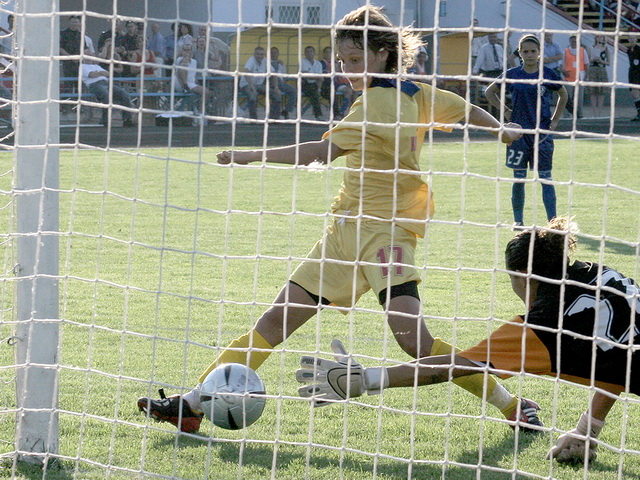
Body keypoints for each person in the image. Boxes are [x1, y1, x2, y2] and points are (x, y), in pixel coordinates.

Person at [137, 5, 540, 436]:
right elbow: (465, 109)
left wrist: (251, 155)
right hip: (343, 234)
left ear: (382, 53)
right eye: (342, 60)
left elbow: (320, 152)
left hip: (385, 237)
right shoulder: (415, 92)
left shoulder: (378, 104)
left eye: (354, 59)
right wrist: (500, 129)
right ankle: (191, 404)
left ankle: (513, 404)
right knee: (273, 322)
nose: (346, 70)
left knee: (415, 343)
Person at [299, 216, 640, 464]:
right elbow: (615, 361)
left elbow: (452, 367)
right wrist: (586, 431)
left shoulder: (543, 325)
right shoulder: (602, 275)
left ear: (523, 276)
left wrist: (367, 379)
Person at [485, 34, 568, 228]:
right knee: (519, 179)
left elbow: (563, 95)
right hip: (518, 135)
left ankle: (552, 223)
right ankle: (518, 221)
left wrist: (555, 120)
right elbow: (490, 92)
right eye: (525, 51)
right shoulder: (512, 74)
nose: (529, 55)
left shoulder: (548, 74)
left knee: (546, 179)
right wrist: (505, 111)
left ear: (539, 53)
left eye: (533, 51)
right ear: (520, 53)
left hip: (542, 135)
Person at [81, 56, 135, 127]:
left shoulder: (96, 66)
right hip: (94, 84)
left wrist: (98, 73)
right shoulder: (82, 66)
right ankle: (105, 120)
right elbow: (92, 75)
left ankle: (127, 120)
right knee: (106, 95)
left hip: (107, 83)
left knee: (124, 94)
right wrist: (101, 73)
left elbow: (108, 73)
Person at [238, 46, 282, 120]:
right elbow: (246, 71)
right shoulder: (251, 60)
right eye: (258, 54)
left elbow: (274, 74)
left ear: (264, 55)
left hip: (259, 85)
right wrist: (251, 86)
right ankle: (254, 120)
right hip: (246, 85)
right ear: (254, 54)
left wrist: (276, 88)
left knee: (277, 94)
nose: (259, 56)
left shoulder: (265, 61)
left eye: (261, 54)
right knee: (253, 95)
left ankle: (273, 119)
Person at [173, 43, 212, 115]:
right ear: (182, 51)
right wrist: (186, 57)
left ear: (191, 51)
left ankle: (200, 111)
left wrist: (196, 82)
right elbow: (182, 66)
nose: (187, 52)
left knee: (206, 92)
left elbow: (193, 73)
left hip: (191, 84)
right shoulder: (179, 59)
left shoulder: (194, 62)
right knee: (183, 68)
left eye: (188, 50)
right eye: (185, 50)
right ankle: (185, 87)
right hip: (180, 83)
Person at [563, 34, 589, 119]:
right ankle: (566, 115)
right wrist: (563, 72)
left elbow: (586, 64)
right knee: (567, 98)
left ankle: (579, 115)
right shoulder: (566, 51)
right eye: (572, 39)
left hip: (580, 78)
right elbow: (561, 64)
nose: (574, 41)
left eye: (575, 40)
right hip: (568, 78)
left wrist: (586, 77)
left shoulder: (583, 51)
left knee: (579, 98)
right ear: (570, 41)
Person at [586, 35, 610, 117]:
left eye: (601, 37)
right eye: (598, 37)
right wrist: (593, 60)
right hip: (592, 70)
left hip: (601, 70)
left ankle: (599, 111)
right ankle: (594, 112)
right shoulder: (590, 48)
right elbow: (587, 61)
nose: (599, 38)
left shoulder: (606, 49)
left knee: (601, 92)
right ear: (595, 38)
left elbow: (608, 63)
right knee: (592, 91)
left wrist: (601, 61)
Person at [270, 46, 296, 119]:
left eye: (275, 52)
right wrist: (275, 62)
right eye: (271, 53)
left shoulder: (281, 63)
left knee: (294, 91)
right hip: (271, 82)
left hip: (281, 83)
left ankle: (286, 110)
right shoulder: (266, 62)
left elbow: (284, 76)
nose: (273, 54)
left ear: (278, 54)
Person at [300, 45, 324, 120]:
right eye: (307, 52)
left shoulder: (318, 63)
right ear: (305, 53)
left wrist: (319, 88)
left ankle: (336, 113)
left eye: (311, 51)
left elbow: (321, 78)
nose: (309, 53)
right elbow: (307, 76)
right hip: (305, 84)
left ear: (314, 53)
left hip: (316, 84)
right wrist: (317, 77)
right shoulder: (302, 62)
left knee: (331, 90)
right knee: (314, 92)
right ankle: (318, 115)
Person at [625, 34, 640, 121]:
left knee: (635, 92)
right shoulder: (628, 50)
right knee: (634, 94)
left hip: (638, 73)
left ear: (636, 39)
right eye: (630, 38)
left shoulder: (639, 49)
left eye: (633, 38)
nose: (632, 40)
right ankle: (639, 113)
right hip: (632, 73)